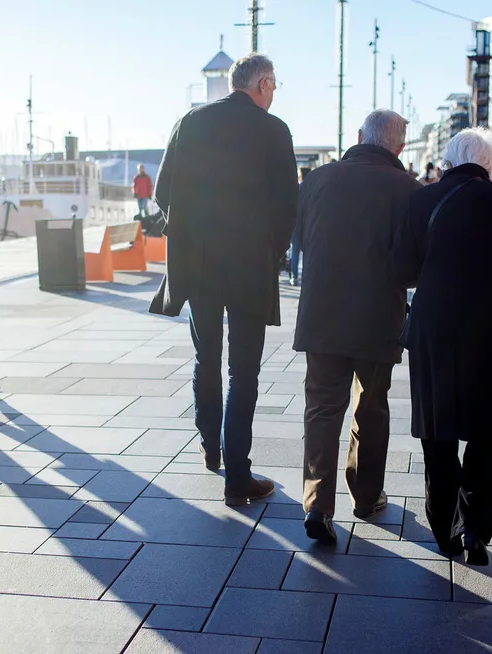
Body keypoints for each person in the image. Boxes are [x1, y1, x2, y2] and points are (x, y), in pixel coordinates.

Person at [149, 54, 298, 505]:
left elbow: (161, 192)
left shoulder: (190, 122)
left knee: (206, 357)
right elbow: (287, 204)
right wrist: (273, 248)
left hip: (198, 263)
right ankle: (239, 476)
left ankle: (209, 448)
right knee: (244, 371)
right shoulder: (273, 130)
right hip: (249, 264)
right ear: (264, 83)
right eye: (275, 85)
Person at [391, 128, 492, 565]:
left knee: (438, 431)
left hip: (434, 327)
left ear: (448, 159)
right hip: (491, 329)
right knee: (484, 432)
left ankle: (443, 527)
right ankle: (475, 527)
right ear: (490, 163)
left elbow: (402, 268)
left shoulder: (421, 200)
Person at [295, 110, 421, 542]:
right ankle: (366, 497)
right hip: (377, 316)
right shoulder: (409, 190)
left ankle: (317, 505)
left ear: (359, 136)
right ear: (399, 147)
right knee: (371, 407)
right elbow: (412, 265)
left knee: (322, 408)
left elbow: (299, 240)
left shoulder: (317, 180)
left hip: (322, 313)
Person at [289, 167, 311, 286]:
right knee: (308, 251)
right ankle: (307, 276)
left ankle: (294, 276)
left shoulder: (297, 187)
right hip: (307, 223)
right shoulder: (311, 188)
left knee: (295, 251)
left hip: (295, 224)